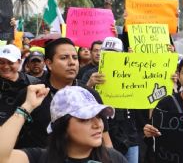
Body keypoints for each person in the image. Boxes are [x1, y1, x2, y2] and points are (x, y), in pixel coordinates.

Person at [15, 38, 112, 148]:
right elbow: (12, 138)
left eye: (75, 58)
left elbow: (106, 140)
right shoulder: (31, 95)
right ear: (49, 63)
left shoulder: (90, 95)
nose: (71, 62)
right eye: (64, 58)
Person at [0, 84, 128, 163]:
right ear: (62, 125)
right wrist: (27, 107)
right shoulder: (40, 158)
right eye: (85, 118)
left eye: (99, 116)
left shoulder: (113, 158)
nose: (98, 125)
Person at [82, 37, 140, 163]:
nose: (111, 56)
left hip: (129, 134)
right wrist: (90, 84)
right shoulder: (91, 74)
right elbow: (80, 103)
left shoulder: (132, 72)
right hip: (103, 133)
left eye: (115, 53)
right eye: (107, 53)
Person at [0, 44, 40, 125]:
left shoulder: (33, 83)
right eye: (1, 62)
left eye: (10, 62)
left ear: (19, 62)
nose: (5, 66)